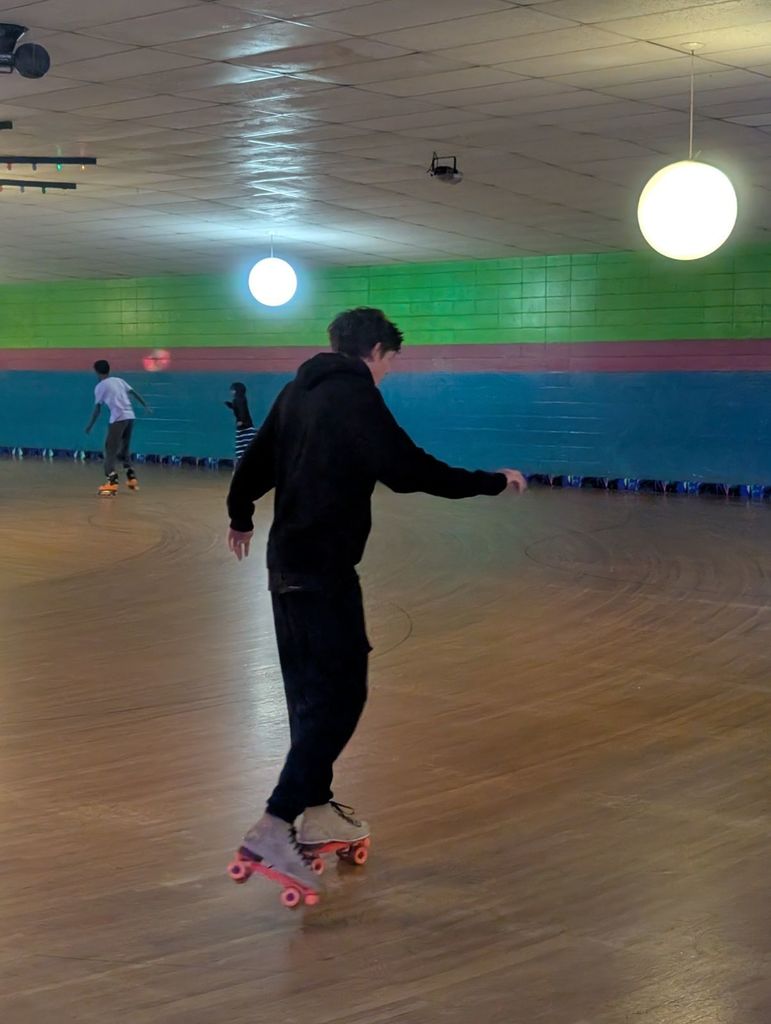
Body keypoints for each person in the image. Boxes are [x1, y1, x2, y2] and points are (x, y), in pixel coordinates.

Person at [226, 307, 527, 897]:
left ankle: (314, 810)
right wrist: (492, 481)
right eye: (391, 362)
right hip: (325, 570)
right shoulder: (355, 395)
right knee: (342, 693)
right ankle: (273, 823)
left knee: (310, 696)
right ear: (379, 352)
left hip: (284, 566)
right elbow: (409, 470)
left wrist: (240, 514)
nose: (388, 372)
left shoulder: (296, 392)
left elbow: (256, 461)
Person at [85, 359, 149, 495]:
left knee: (110, 451)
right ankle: (132, 478)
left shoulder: (100, 387)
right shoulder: (119, 380)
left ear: (96, 371)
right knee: (123, 450)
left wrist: (90, 426)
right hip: (130, 417)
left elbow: (97, 409)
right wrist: (145, 405)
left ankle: (111, 483)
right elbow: (134, 392)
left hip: (118, 419)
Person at [225, 382, 255, 464]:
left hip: (244, 427)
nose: (231, 392)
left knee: (241, 448)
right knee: (247, 445)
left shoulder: (238, 400)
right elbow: (240, 409)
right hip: (246, 426)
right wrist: (230, 405)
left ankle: (242, 464)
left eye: (233, 390)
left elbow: (242, 411)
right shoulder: (241, 399)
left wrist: (241, 421)